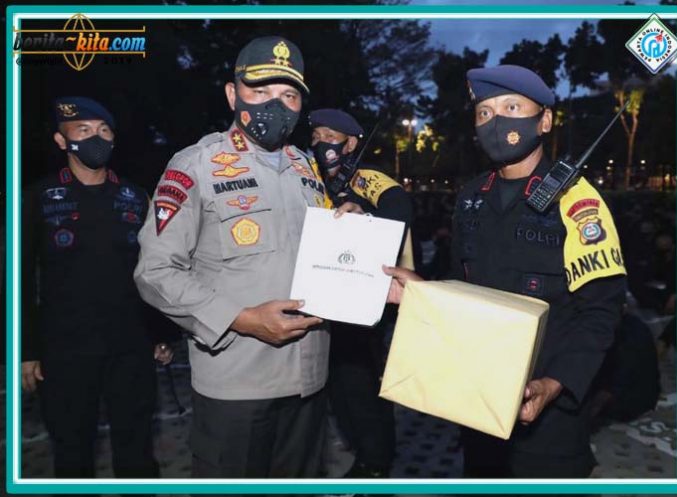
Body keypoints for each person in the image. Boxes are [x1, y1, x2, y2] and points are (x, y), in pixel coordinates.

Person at [384, 64, 627, 478]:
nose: (496, 121)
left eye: (512, 107)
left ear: (544, 120)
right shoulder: (471, 197)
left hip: (547, 414)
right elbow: (465, 289)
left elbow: (601, 312)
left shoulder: (577, 202)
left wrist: (554, 384)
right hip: (477, 398)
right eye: (485, 112)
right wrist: (422, 292)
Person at [134, 37, 359, 478]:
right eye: (260, 91)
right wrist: (240, 319)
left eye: (289, 95)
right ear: (232, 94)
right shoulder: (196, 165)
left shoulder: (307, 168)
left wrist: (346, 227)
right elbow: (155, 272)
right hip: (237, 382)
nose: (276, 105)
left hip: (309, 378)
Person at [21, 96, 173, 478]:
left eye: (104, 130)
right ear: (62, 140)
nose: (96, 138)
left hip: (131, 345)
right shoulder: (38, 198)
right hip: (65, 348)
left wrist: (159, 333)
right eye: (84, 130)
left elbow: (153, 269)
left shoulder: (136, 197)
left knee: (137, 451)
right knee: (72, 452)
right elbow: (20, 278)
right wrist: (26, 350)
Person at [309, 109, 413, 477]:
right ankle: (360, 450)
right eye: (316, 137)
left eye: (330, 137)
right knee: (338, 385)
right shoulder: (315, 179)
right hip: (327, 299)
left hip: (365, 300)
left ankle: (376, 463)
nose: (321, 144)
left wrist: (365, 220)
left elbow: (398, 205)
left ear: (351, 143)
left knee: (360, 384)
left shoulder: (364, 177)